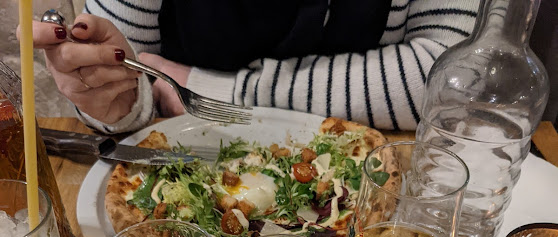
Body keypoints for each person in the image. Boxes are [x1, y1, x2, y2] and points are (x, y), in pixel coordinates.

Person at [29, 0, 480, 134]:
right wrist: (110, 100)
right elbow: (134, 78)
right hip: (188, 178)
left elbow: (455, 80)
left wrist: (205, 91)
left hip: (369, 207)